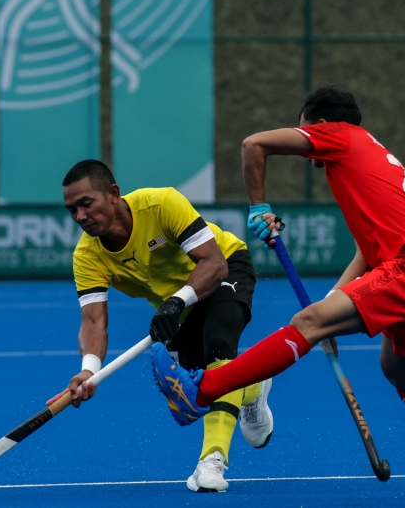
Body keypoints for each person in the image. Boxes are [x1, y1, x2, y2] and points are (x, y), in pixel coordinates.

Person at [152, 86, 405, 499]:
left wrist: (258, 207)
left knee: (306, 324)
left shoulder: (339, 135)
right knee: (399, 371)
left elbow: (254, 144)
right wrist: (332, 306)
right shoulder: (370, 159)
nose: (308, 150)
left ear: (319, 124)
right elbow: (366, 254)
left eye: (303, 129)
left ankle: (200, 391)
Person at [50, 159, 271, 493]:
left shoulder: (161, 204)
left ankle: (212, 461)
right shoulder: (87, 255)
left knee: (219, 346)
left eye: (86, 204)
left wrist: (178, 300)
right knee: (201, 388)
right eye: (71, 210)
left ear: (112, 194)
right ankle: (253, 383)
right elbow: (93, 322)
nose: (79, 216)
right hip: (178, 310)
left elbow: (213, 262)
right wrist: (88, 370)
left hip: (224, 269)